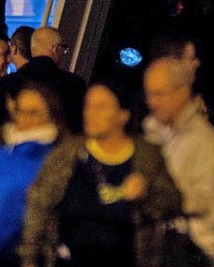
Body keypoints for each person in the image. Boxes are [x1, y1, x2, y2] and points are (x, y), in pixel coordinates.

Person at [19, 79, 182, 267]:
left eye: (101, 107)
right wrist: (29, 259)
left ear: (123, 114)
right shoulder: (67, 153)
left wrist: (146, 194)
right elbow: (38, 205)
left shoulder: (146, 158)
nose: (90, 113)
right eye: (88, 106)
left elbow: (173, 203)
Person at [0, 80, 62, 267]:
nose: (26, 119)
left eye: (34, 112)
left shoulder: (59, 161)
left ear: (51, 115)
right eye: (21, 111)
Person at [142, 58, 214, 267]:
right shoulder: (152, 130)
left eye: (159, 94)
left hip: (192, 252)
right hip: (156, 248)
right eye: (149, 93)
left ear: (182, 92)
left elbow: (206, 200)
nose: (152, 102)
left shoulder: (204, 140)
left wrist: (155, 193)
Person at [0, 28, 86, 139]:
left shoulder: (7, 83)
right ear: (56, 49)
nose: (64, 53)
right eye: (64, 49)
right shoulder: (74, 84)